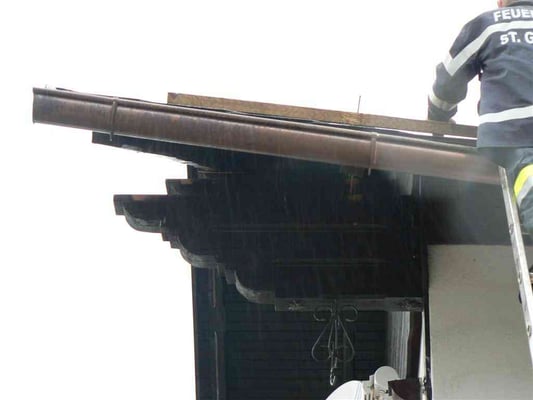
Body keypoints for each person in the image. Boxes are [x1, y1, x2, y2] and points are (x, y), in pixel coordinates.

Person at [428, 0, 533, 233]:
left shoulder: (487, 24)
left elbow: (449, 80)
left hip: (514, 133)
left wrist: (438, 117)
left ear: (501, 2)